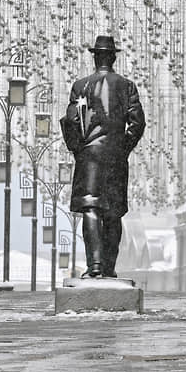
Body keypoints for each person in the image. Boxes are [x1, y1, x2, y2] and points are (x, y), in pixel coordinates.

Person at [60, 35, 146, 278]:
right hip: (116, 156)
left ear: (96, 57)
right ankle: (109, 266)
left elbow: (72, 120)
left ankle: (95, 265)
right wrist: (123, 147)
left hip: (90, 157)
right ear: (114, 57)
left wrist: (79, 149)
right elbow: (138, 123)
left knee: (91, 208)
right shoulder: (127, 86)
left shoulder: (81, 86)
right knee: (113, 211)